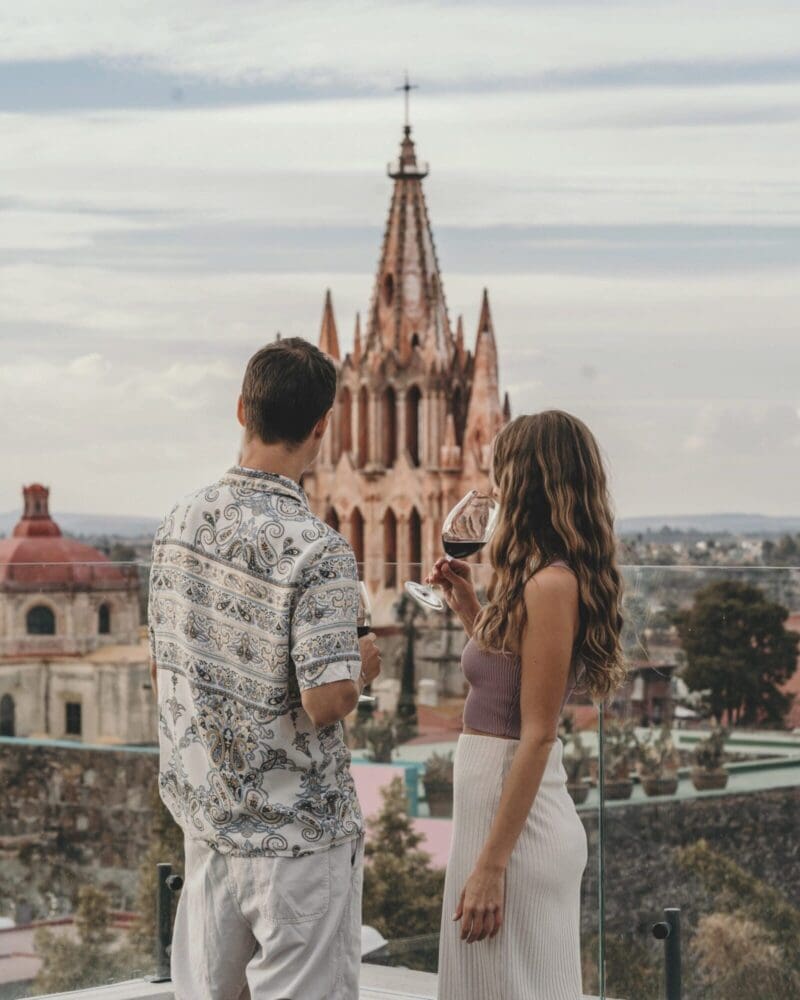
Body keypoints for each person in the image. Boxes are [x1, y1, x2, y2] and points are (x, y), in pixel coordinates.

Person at [148, 337, 381, 1000]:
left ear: (241, 409)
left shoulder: (176, 525)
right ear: (321, 427)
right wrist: (360, 665)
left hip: (208, 821)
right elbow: (327, 701)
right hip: (297, 838)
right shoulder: (319, 550)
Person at [428, 411, 625, 1000]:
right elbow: (509, 682)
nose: (490, 488)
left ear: (531, 481)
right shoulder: (535, 578)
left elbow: (536, 734)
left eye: (500, 473)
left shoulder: (550, 584)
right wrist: (469, 606)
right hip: (494, 819)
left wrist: (491, 865)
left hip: (518, 832)